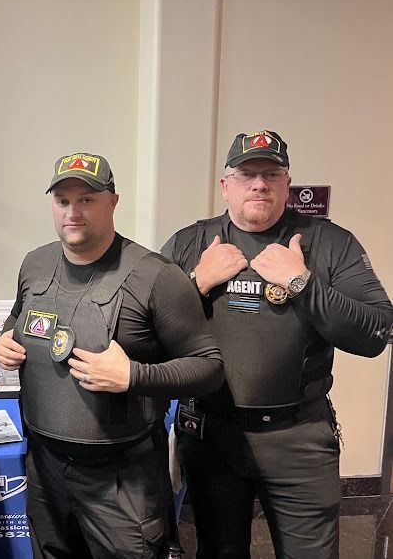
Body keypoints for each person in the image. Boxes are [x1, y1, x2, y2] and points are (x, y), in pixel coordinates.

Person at [161, 129, 393, 558]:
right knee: (219, 551)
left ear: (288, 184)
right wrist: (197, 283)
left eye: (272, 173)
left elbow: (377, 331)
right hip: (211, 434)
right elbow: (148, 336)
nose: (259, 184)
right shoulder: (190, 243)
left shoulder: (330, 243)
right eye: (246, 173)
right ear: (225, 185)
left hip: (299, 437)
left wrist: (301, 283)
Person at [0, 152, 224, 558]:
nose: (73, 212)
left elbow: (209, 367)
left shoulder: (156, 276)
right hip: (46, 471)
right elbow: (16, 321)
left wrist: (134, 377)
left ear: (113, 202)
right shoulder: (35, 263)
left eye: (87, 200)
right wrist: (4, 341)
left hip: (122, 481)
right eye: (63, 201)